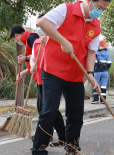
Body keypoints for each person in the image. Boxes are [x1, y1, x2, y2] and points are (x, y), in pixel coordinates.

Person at [33, 0, 112, 155]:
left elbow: (91, 51)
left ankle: (72, 146)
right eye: (99, 7)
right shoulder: (66, 10)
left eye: (104, 9)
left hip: (76, 75)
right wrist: (62, 41)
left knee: (76, 114)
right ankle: (38, 147)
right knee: (49, 111)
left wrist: (90, 74)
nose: (101, 12)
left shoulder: (95, 26)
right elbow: (43, 23)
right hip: (53, 70)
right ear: (89, 0)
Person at [29, 16, 66, 147]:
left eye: (41, 25)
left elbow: (58, 57)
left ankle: (52, 137)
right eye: (37, 25)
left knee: (50, 110)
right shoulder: (36, 42)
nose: (39, 28)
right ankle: (55, 136)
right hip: (40, 79)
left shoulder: (55, 40)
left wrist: (47, 43)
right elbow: (33, 58)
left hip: (52, 79)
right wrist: (32, 64)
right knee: (43, 109)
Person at [92, 39, 112, 104]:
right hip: (105, 72)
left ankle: (96, 99)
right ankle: (103, 100)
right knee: (104, 86)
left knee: (95, 85)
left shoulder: (95, 53)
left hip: (97, 72)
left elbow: (92, 63)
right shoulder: (107, 53)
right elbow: (109, 64)